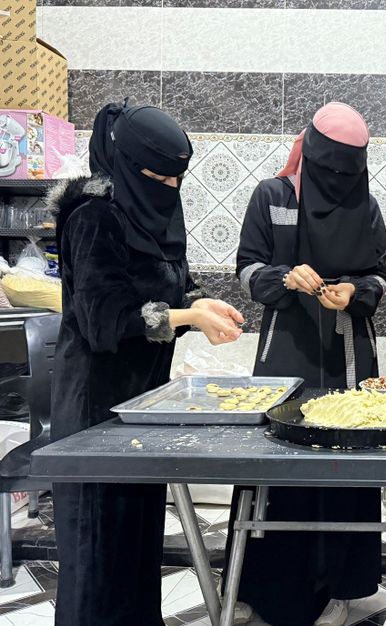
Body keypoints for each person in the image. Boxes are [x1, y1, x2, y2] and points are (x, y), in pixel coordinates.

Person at [48, 102, 244, 626]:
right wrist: (187, 316)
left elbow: (168, 283)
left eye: (176, 178)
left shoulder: (152, 211)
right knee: (97, 550)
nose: (169, 187)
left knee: (136, 542)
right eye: (157, 177)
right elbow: (104, 321)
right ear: (127, 165)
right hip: (93, 410)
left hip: (142, 406)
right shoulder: (93, 218)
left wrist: (198, 304)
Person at [230, 101, 386, 626]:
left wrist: (356, 291)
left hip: (348, 356)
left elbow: (379, 274)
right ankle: (262, 587)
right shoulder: (273, 196)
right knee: (280, 464)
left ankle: (342, 587)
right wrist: (283, 278)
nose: (337, 183)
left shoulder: (366, 207)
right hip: (288, 350)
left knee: (346, 466)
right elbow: (247, 268)